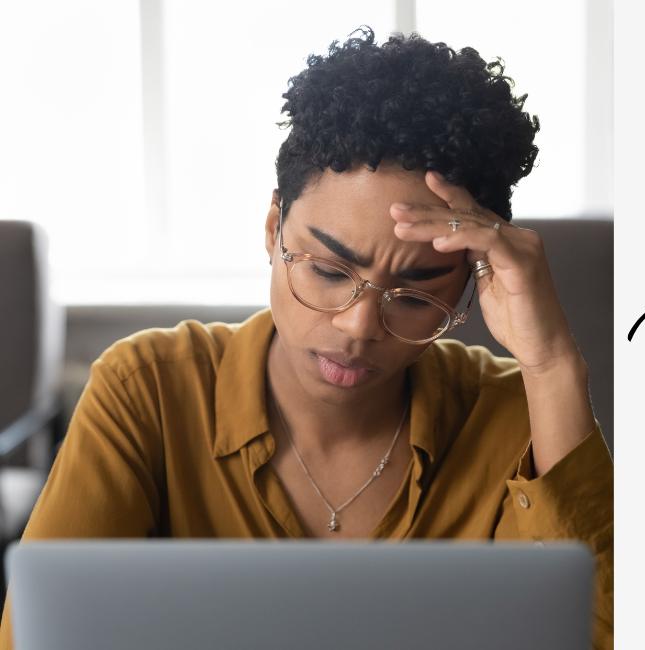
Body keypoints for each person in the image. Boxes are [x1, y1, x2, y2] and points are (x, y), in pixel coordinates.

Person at [0, 29, 613, 648]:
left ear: (468, 284)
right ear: (274, 229)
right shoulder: (149, 390)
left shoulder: (517, 419)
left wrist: (553, 365)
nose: (359, 326)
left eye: (416, 291)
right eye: (327, 270)